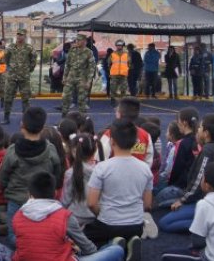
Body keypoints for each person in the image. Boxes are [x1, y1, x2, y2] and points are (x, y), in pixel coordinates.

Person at [14, 171, 125, 261]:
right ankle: (111, 246)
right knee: (116, 250)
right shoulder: (64, 216)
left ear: (30, 194)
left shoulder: (18, 216)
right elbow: (89, 249)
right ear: (55, 193)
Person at [84, 119, 152, 255]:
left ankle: (112, 247)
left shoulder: (102, 168)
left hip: (108, 224)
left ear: (112, 141)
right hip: (136, 225)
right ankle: (126, 245)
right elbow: (148, 204)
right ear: (134, 143)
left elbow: (91, 203)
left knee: (82, 240)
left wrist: (102, 214)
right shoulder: (145, 168)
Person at [0, 106, 62, 247]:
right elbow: (57, 175)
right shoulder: (51, 150)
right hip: (43, 201)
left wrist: (7, 191)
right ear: (42, 127)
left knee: (13, 236)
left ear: (22, 125)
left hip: (16, 200)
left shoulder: (12, 151)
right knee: (42, 234)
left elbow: (3, 177)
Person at [161, 162, 214, 261]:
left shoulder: (204, 204)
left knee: (165, 255)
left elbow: (197, 242)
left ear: (207, 186)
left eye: (202, 177)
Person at [158, 113, 214, 233]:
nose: (198, 130)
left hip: (202, 200)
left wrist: (182, 200)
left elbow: (198, 180)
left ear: (206, 133)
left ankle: (207, 225)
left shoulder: (207, 151)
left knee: (164, 223)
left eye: (200, 128)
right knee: (165, 204)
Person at [155, 107, 199, 208]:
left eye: (178, 121)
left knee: (157, 201)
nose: (177, 123)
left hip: (181, 185)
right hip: (191, 184)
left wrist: (171, 184)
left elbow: (177, 167)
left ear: (184, 123)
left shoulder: (182, 143)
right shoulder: (197, 140)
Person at [97, 97, 154, 167]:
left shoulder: (109, 134)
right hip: (138, 175)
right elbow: (148, 163)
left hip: (113, 175)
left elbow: (100, 160)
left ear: (119, 114)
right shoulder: (146, 136)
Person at [61, 133, 97, 227]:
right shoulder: (100, 171)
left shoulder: (70, 173)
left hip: (75, 218)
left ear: (74, 151)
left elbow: (66, 200)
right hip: (96, 216)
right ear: (94, 150)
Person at [1, 28, 37, 124]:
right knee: (8, 97)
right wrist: (11, 68)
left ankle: (25, 119)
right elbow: (6, 59)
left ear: (25, 36)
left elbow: (33, 60)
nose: (19, 36)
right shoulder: (10, 47)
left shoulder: (29, 48)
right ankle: (6, 117)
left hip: (24, 77)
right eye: (18, 35)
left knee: (26, 98)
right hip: (12, 76)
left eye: (21, 35)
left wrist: (28, 70)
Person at [61, 33, 96, 115]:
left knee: (81, 99)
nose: (77, 41)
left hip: (82, 78)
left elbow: (92, 68)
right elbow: (67, 65)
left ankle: (82, 118)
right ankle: (64, 115)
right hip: (71, 77)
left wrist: (89, 81)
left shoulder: (89, 52)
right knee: (65, 96)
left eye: (79, 40)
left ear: (84, 41)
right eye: (76, 40)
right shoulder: (72, 50)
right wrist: (64, 77)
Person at [108, 40, 131, 107]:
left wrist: (126, 69)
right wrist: (111, 71)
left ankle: (123, 102)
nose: (119, 46)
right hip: (114, 74)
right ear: (116, 46)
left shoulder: (126, 54)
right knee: (113, 88)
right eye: (118, 45)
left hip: (123, 74)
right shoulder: (112, 54)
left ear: (122, 46)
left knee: (123, 89)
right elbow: (109, 64)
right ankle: (113, 100)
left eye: (120, 45)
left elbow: (129, 64)